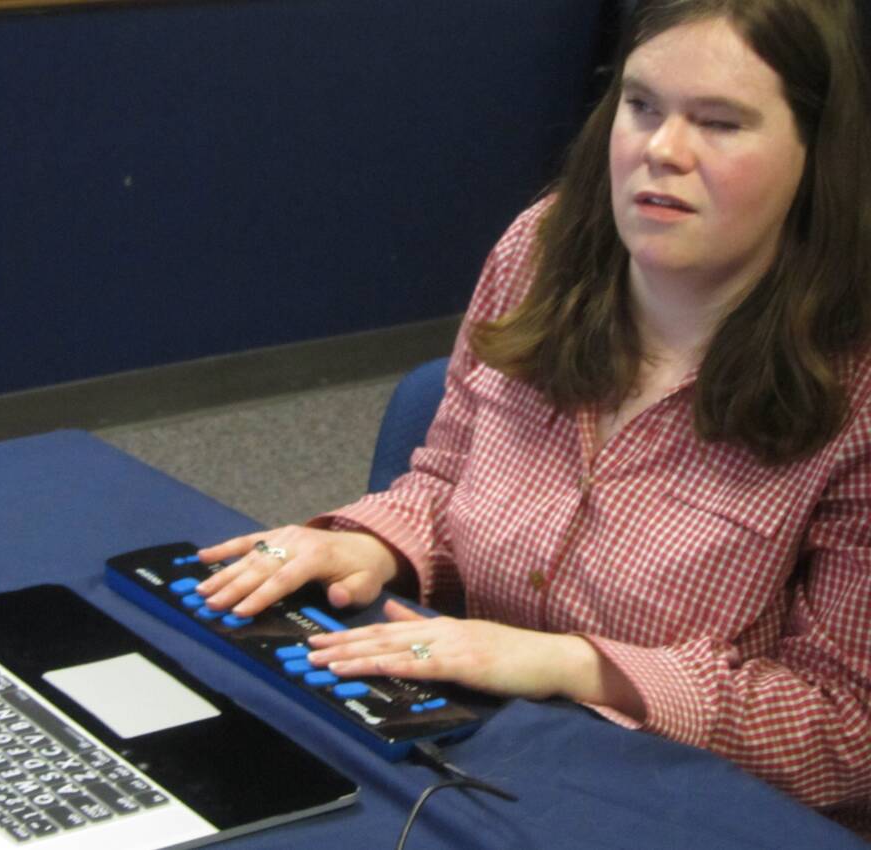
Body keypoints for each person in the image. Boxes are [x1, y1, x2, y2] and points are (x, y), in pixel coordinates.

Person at [197, 0, 871, 831]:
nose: (662, 150)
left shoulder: (859, 387)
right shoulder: (543, 250)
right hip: (479, 752)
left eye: (721, 123)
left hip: (681, 808)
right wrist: (369, 539)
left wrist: (574, 666)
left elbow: (847, 729)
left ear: (818, 156)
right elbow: (446, 479)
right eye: (643, 106)